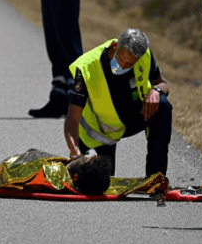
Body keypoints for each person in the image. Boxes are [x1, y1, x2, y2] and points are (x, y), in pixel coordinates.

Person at [62, 29, 173, 178]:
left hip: (133, 117)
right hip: (101, 131)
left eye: (130, 63)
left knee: (163, 106)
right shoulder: (87, 68)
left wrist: (156, 91)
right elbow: (72, 119)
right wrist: (75, 151)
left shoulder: (144, 55)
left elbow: (162, 83)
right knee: (100, 181)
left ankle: (156, 178)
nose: (124, 65)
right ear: (115, 46)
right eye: (122, 59)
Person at [0, 149, 115, 195]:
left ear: (75, 176)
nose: (81, 156)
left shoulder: (55, 175)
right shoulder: (72, 174)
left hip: (7, 176)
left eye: (83, 159)